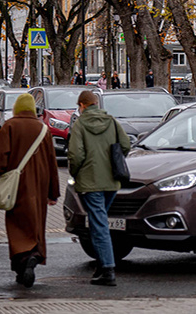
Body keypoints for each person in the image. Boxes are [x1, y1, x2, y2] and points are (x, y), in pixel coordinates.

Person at [0, 93, 60, 287]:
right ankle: (33, 256)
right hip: (39, 187)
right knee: (35, 222)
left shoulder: (9, 126)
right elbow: (52, 163)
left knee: (16, 224)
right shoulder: (43, 129)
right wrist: (52, 193)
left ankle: (21, 261)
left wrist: (2, 171)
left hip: (16, 185)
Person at [67, 90, 130, 287]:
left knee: (99, 224)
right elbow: (126, 145)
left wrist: (76, 173)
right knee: (99, 222)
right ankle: (102, 266)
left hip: (90, 182)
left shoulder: (80, 125)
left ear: (82, 105)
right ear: (96, 103)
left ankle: (108, 269)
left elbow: (76, 155)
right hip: (111, 182)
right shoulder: (111, 121)